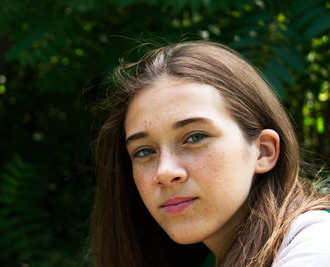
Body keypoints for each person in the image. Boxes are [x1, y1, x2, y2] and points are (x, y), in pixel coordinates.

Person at [90, 41, 330, 266]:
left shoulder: (316, 247)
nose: (164, 171)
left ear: (263, 151)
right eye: (144, 151)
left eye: (195, 137)